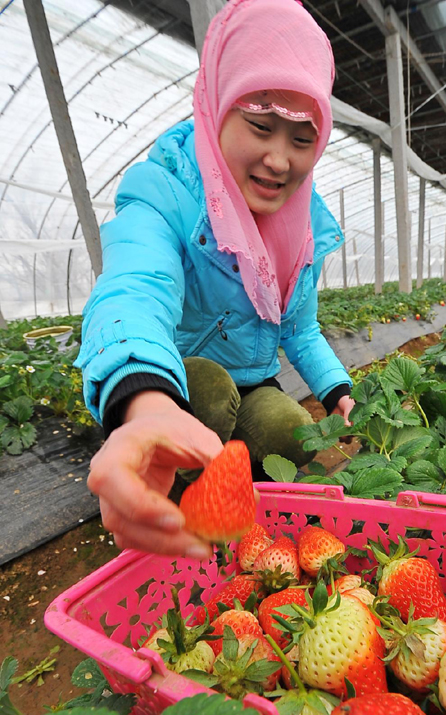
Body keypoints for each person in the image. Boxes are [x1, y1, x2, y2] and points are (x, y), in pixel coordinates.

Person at [77, 0, 354, 560]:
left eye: (302, 139)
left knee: (289, 431)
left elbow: (300, 327)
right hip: (176, 376)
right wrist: (145, 403)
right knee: (207, 391)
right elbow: (134, 289)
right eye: (260, 126)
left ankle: (236, 495)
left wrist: (336, 388)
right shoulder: (166, 193)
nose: (279, 160)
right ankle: (175, 498)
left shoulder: (302, 227)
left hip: (253, 376)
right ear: (217, 107)